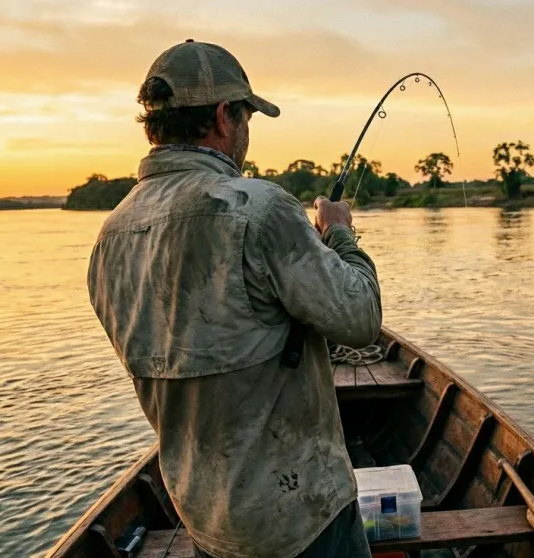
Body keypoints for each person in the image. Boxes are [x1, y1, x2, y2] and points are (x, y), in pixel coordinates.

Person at [86, 39, 381, 558]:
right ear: (225, 117)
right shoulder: (259, 209)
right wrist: (338, 236)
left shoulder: (109, 237)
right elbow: (360, 318)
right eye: (247, 116)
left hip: (205, 521)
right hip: (302, 520)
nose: (246, 131)